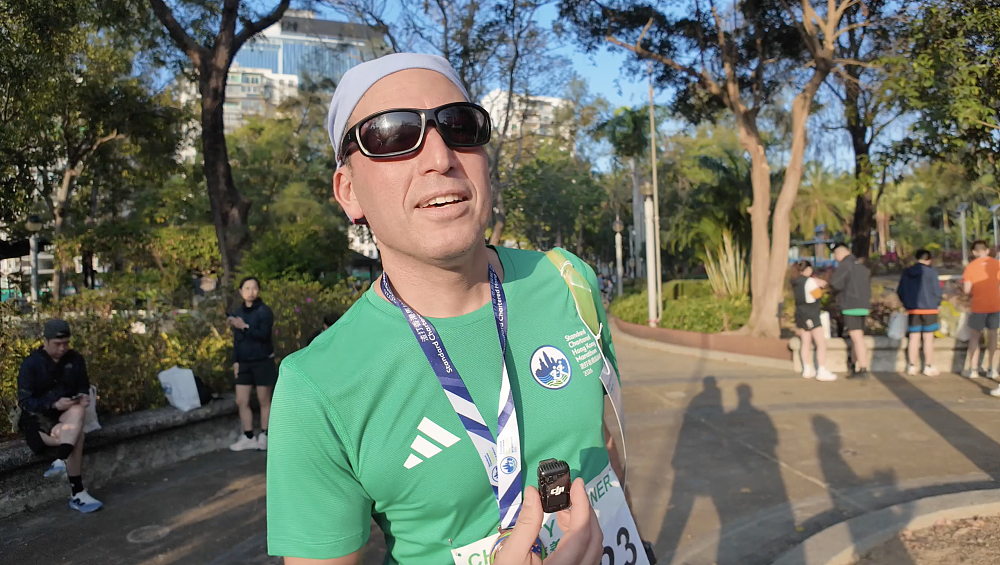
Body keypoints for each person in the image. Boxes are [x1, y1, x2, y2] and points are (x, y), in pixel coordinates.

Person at [266, 54, 632, 565]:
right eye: (392, 135)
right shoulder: (317, 386)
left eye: (460, 126)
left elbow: (602, 448)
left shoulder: (568, 281)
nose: (440, 156)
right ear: (349, 192)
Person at [16, 319, 103, 513]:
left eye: (66, 343)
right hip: (39, 422)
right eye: (57, 344)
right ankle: (77, 491)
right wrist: (53, 404)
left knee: (78, 410)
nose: (62, 348)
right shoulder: (31, 364)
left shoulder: (75, 359)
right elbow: (25, 402)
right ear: (46, 341)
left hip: (68, 415)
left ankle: (60, 460)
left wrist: (83, 397)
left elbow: (83, 386)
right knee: (77, 435)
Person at [228, 276, 276, 451]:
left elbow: (264, 335)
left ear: (259, 290)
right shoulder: (238, 312)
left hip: (263, 361)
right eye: (247, 288)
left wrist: (245, 327)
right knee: (241, 400)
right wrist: (235, 361)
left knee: (264, 400)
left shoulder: (264, 311)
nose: (250, 292)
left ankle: (265, 435)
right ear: (241, 291)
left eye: (254, 288)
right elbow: (237, 340)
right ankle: (248, 435)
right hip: (244, 363)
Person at [896, 249, 944, 376]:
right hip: (930, 309)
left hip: (913, 309)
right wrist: (937, 303)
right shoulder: (932, 272)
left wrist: (906, 304)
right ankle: (928, 366)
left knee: (913, 337)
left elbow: (900, 290)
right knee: (928, 338)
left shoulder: (907, 272)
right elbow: (937, 291)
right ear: (929, 260)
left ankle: (911, 365)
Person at [959, 240, 1000, 383]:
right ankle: (992, 369)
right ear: (987, 250)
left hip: (978, 306)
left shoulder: (970, 267)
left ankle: (973, 369)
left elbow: (967, 290)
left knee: (975, 338)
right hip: (995, 305)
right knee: (993, 336)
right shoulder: (997, 264)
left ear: (974, 252)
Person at [830, 243, 872, 378]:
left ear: (838, 254)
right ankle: (853, 364)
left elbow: (835, 283)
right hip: (863, 305)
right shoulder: (861, 266)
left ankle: (863, 368)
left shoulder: (845, 266)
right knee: (858, 336)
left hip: (850, 305)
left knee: (857, 338)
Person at [790, 261, 837, 381]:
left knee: (805, 342)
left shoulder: (795, 281)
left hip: (800, 313)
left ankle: (807, 369)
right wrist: (818, 285)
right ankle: (821, 369)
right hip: (811, 313)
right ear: (808, 269)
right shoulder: (810, 282)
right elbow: (817, 295)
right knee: (820, 342)